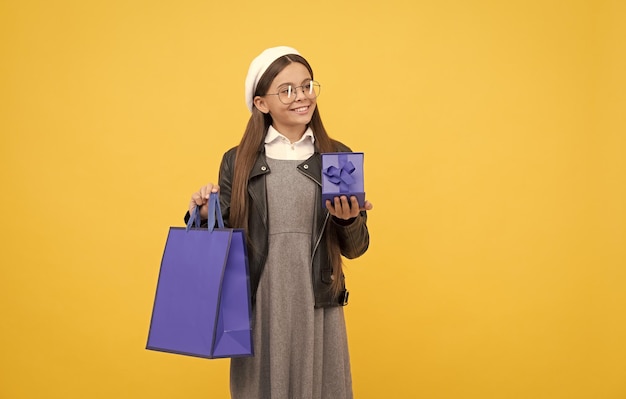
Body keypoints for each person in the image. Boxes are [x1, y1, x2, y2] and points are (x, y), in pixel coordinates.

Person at [186, 46, 373, 399]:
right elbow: (226, 243)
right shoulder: (238, 161)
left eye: (306, 86)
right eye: (286, 90)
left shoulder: (336, 156)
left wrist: (349, 222)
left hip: (317, 301)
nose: (301, 97)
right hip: (259, 302)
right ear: (261, 103)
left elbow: (356, 248)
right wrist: (206, 215)